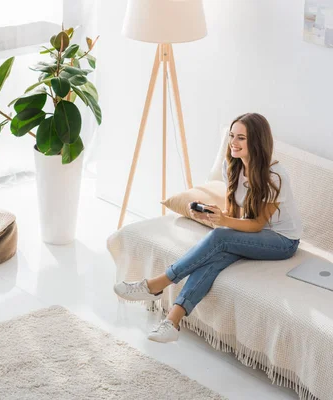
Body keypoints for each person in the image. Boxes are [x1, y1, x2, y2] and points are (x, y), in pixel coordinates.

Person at [114, 113, 302, 343]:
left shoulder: (274, 175)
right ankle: (172, 322)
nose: (233, 142)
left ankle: (157, 283)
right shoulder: (231, 165)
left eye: (241, 138)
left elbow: (256, 224)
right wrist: (214, 216)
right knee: (216, 255)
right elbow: (235, 216)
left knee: (221, 238)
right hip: (252, 235)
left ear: (257, 141)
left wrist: (223, 224)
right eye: (232, 135)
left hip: (282, 241)